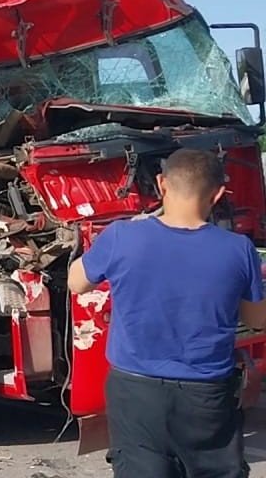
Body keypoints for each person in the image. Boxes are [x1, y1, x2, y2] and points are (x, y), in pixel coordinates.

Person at [68, 148, 266, 477]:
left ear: (162, 184)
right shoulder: (238, 249)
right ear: (218, 194)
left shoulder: (121, 236)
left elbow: (77, 283)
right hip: (207, 397)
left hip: (135, 392)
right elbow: (257, 320)